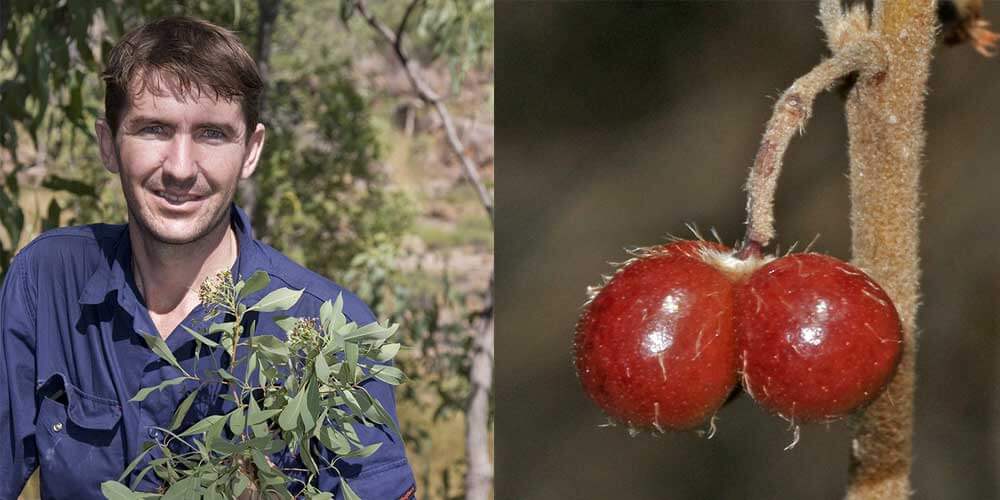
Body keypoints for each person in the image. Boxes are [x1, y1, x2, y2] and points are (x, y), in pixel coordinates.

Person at [0, 16, 415, 499]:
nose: (179, 168)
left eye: (213, 134)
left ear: (251, 150)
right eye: (153, 129)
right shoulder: (46, 282)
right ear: (108, 144)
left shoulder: (326, 331)